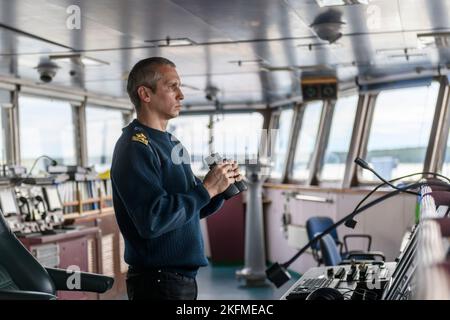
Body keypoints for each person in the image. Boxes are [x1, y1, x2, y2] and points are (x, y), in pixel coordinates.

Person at [111, 57, 242, 300]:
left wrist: (220, 189)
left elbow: (189, 210)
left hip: (180, 279)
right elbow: (153, 220)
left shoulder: (173, 143)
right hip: (157, 282)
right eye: (172, 87)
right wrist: (206, 190)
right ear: (145, 94)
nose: (181, 95)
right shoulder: (135, 147)